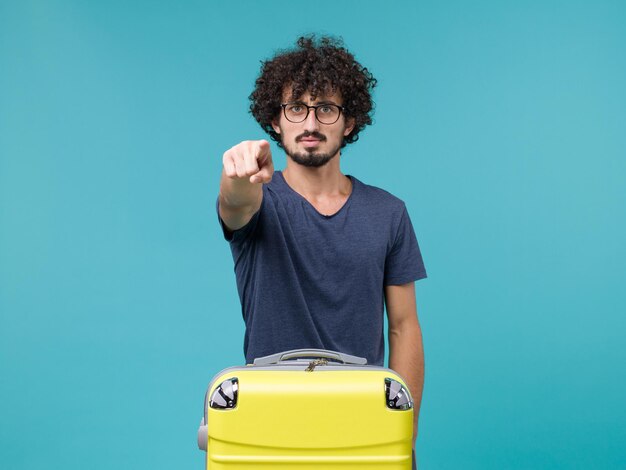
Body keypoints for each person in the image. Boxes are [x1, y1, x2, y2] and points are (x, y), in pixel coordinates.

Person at [216, 35, 426, 468]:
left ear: (348, 122)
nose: (310, 124)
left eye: (326, 109)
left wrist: (403, 430)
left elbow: (404, 326)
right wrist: (238, 171)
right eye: (296, 108)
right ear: (275, 120)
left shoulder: (389, 212)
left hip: (362, 422)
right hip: (266, 422)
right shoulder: (261, 200)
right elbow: (235, 203)